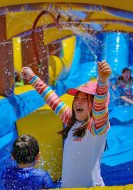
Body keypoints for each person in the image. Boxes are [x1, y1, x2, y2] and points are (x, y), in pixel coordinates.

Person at [22, 60, 111, 188]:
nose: (78, 103)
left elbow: (99, 107)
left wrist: (102, 82)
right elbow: (52, 99)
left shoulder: (96, 126)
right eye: (77, 99)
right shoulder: (71, 120)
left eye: (84, 100)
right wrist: (32, 77)